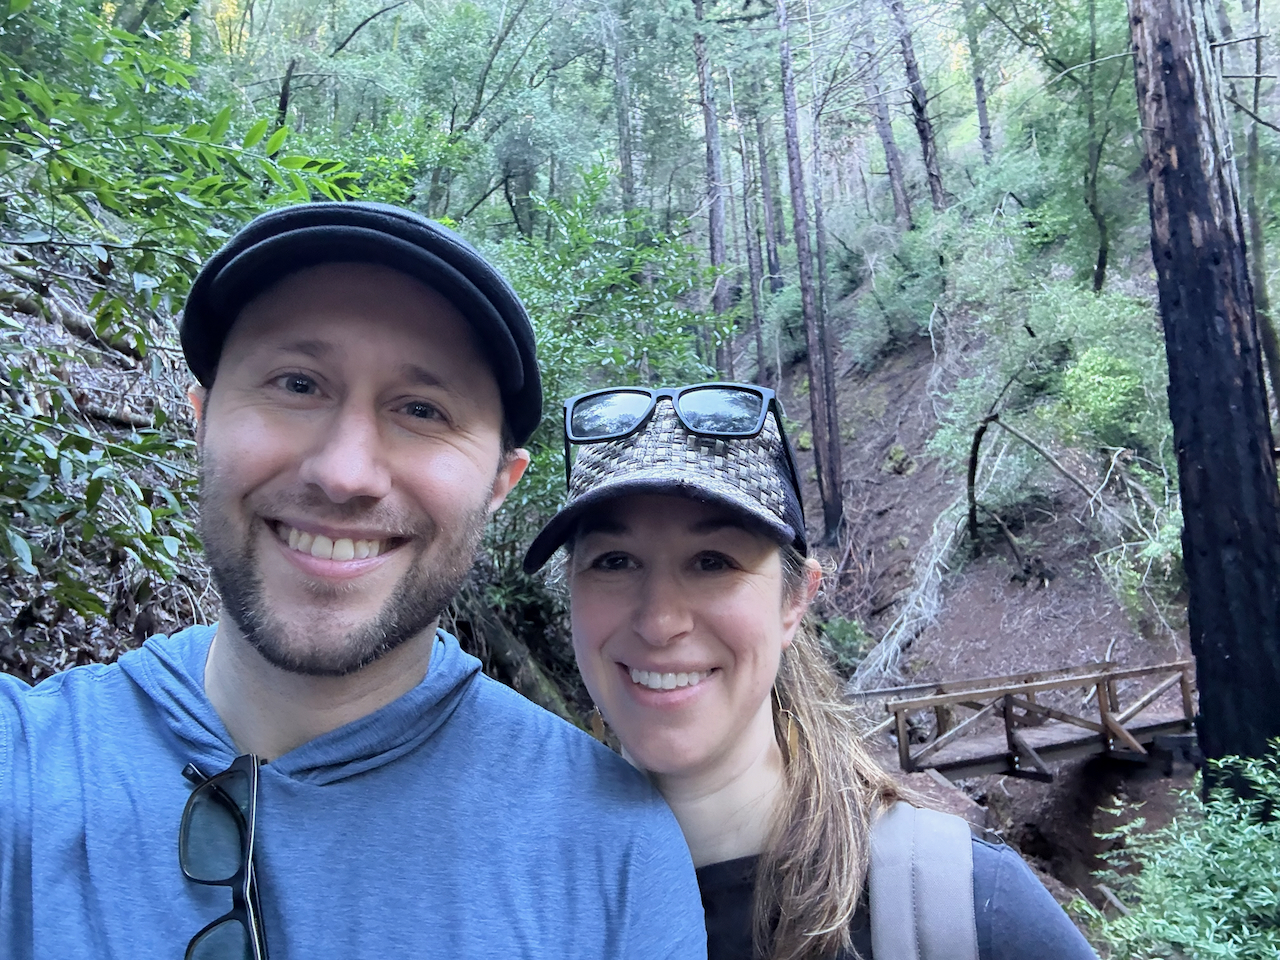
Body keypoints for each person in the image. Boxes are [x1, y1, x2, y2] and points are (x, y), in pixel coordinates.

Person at [0, 202, 706, 960]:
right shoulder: (22, 767)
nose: (344, 473)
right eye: (297, 384)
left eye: (422, 409)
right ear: (200, 419)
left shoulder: (614, 858)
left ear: (500, 484)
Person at [523, 383, 1101, 960]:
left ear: (795, 600)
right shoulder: (512, 903)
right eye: (615, 561)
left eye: (713, 562)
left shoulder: (969, 910)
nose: (659, 622)